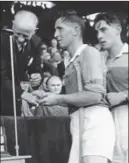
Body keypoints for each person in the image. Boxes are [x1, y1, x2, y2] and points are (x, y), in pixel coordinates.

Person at [34, 10, 115, 163]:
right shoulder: (72, 60)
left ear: (76, 31)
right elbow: (75, 97)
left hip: (94, 121)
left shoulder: (89, 52)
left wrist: (57, 98)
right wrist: (49, 98)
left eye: (60, 29)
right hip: (78, 121)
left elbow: (95, 95)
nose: (56, 35)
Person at [94, 12, 128, 163]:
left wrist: (124, 95)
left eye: (103, 30)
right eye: (97, 32)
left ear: (118, 29)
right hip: (105, 119)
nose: (99, 36)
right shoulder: (98, 59)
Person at [1, 10, 43, 116]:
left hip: (18, 95)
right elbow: (2, 75)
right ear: (13, 25)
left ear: (34, 31)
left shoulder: (36, 42)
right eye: (17, 34)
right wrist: (22, 94)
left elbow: (36, 68)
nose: (20, 39)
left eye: (25, 36)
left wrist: (37, 76)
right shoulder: (2, 42)